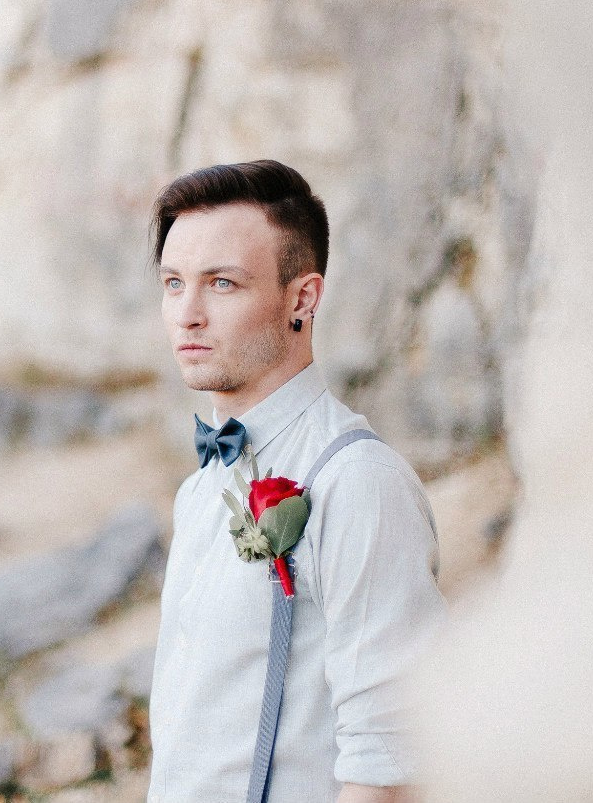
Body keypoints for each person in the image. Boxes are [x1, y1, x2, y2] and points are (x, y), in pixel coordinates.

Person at [146, 160, 449, 803]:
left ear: (303, 299)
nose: (187, 314)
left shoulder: (357, 482)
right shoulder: (200, 490)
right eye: (174, 283)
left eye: (221, 283)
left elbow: (391, 762)